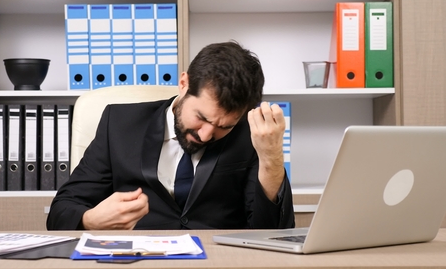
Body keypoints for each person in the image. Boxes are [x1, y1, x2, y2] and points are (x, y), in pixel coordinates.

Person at [47, 41, 295, 230]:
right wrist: (90, 220)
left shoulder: (250, 136)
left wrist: (271, 158)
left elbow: (272, 232)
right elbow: (60, 212)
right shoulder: (119, 124)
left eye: (224, 127)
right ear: (184, 83)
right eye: (202, 118)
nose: (207, 135)